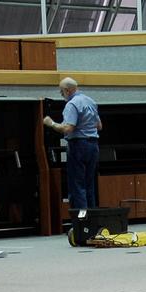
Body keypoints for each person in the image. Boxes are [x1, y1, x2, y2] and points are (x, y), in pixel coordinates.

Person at [43, 77, 102, 210]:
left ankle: (81, 220)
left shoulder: (72, 104)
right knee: (89, 184)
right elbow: (99, 126)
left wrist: (51, 123)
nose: (61, 94)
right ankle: (91, 218)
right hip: (93, 145)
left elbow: (68, 129)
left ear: (67, 90)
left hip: (78, 146)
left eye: (61, 92)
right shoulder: (90, 101)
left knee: (77, 186)